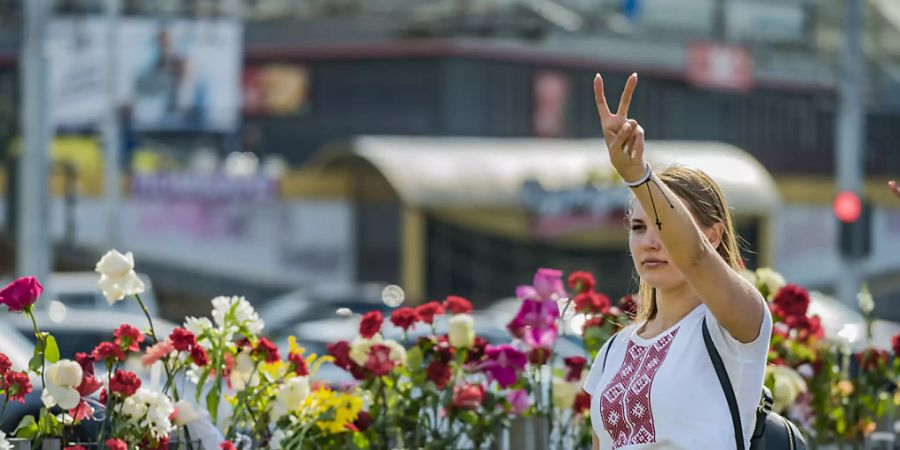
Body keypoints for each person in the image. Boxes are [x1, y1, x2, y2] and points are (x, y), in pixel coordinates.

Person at [582, 73, 772, 450]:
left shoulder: (733, 325)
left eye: (662, 228)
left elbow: (697, 259)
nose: (650, 242)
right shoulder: (613, 351)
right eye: (638, 227)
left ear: (713, 235)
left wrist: (638, 175)